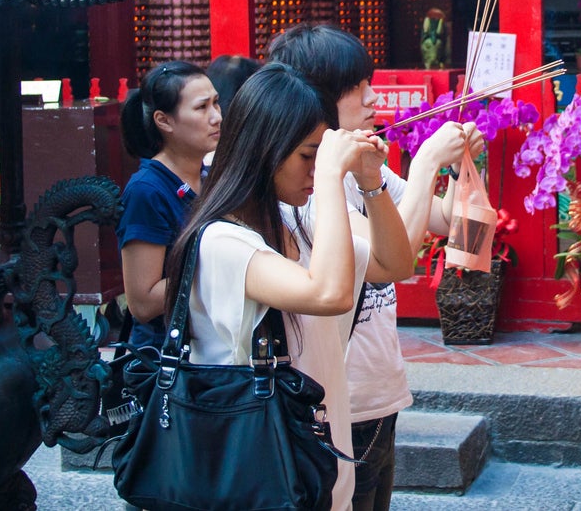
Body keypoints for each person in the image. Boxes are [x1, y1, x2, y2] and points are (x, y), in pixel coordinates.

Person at [163, 62, 409, 511]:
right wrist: (334, 176)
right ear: (265, 149)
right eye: (306, 156)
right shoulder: (222, 242)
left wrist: (371, 183)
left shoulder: (296, 225)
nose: (315, 170)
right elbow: (328, 295)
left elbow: (393, 263)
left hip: (316, 464)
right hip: (261, 476)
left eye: (321, 156)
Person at [267, 23, 485, 511]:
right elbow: (392, 263)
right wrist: (427, 161)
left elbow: (450, 224)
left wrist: (465, 167)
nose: (372, 98)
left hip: (380, 389)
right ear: (313, 96)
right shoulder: (306, 184)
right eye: (358, 87)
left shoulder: (367, 165)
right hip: (339, 399)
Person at [116, 60, 221, 350]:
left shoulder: (211, 176)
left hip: (210, 351)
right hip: (167, 362)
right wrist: (225, 270)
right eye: (202, 108)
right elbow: (143, 301)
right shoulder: (147, 191)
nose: (216, 117)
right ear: (164, 121)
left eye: (216, 104)